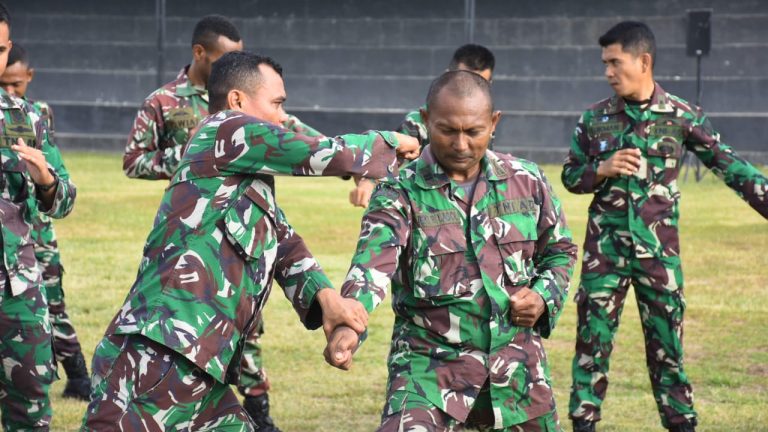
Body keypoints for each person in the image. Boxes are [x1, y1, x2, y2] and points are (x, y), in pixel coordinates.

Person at [81, 51, 420, 430]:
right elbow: (318, 152)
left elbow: (287, 247)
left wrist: (329, 302)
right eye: (276, 104)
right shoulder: (222, 129)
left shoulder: (245, 179)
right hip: (155, 357)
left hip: (201, 369)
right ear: (237, 101)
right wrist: (390, 143)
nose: (282, 117)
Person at [326, 70, 577, 431]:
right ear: (426, 120)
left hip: (518, 371)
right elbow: (371, 269)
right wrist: (348, 327)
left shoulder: (527, 180)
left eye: (473, 131)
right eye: (447, 130)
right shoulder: (399, 192)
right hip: (430, 371)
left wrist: (543, 295)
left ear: (494, 123)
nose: (461, 144)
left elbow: (560, 251)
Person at [562, 21, 768, 432]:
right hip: (605, 255)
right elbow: (570, 176)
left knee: (668, 351)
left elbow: (729, 166)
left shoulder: (681, 115)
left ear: (644, 61)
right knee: (591, 346)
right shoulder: (594, 118)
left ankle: (681, 424)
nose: (608, 72)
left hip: (659, 257)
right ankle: (583, 423)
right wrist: (600, 169)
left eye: (615, 62)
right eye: (604, 64)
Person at [122, 15, 322, 429]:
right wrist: (196, 155)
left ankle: (256, 405)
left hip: (242, 223)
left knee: (243, 315)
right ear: (200, 53)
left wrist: (352, 169)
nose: (234, 64)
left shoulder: (251, 95)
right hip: (194, 227)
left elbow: (296, 136)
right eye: (224, 58)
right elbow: (134, 160)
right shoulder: (164, 100)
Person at [0, 3, 77, 429]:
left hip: (18, 290)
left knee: (29, 401)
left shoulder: (25, 117)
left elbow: (64, 200)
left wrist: (45, 180)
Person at [349, 43, 496, 208]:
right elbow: (394, 155)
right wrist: (369, 182)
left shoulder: (485, 120)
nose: (462, 145)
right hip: (430, 206)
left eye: (479, 83)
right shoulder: (419, 122)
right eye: (448, 130)